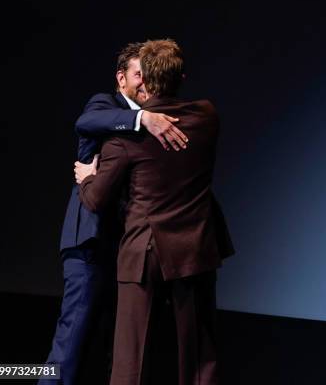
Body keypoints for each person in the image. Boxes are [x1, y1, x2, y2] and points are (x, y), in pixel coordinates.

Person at [75, 39, 233, 385]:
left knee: (131, 359)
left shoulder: (125, 139)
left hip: (144, 252)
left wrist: (87, 178)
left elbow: (97, 199)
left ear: (142, 80)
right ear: (182, 77)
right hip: (194, 249)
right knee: (199, 360)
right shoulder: (207, 116)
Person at [40, 42, 188, 385]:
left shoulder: (160, 119)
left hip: (126, 247)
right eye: (139, 75)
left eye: (150, 75)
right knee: (73, 336)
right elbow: (87, 121)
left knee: (114, 345)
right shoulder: (107, 105)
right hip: (89, 241)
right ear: (121, 79)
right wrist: (141, 117)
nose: (146, 82)